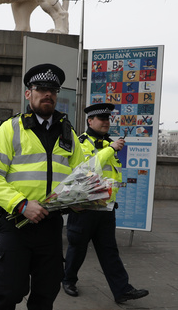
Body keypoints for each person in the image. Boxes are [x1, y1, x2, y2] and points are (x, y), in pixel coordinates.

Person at [0, 63, 85, 310]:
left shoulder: (68, 132)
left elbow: (82, 176)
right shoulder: (11, 128)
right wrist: (22, 204)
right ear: (29, 93)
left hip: (51, 225)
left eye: (53, 89)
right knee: (8, 292)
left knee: (46, 294)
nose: (47, 94)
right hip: (17, 224)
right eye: (41, 88)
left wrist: (81, 200)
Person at [62, 103, 149, 304]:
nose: (106, 122)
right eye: (101, 119)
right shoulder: (81, 142)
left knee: (110, 251)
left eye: (108, 119)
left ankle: (122, 290)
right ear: (90, 121)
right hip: (84, 208)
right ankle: (68, 280)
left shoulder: (109, 143)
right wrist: (110, 149)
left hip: (106, 209)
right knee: (77, 249)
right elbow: (85, 169)